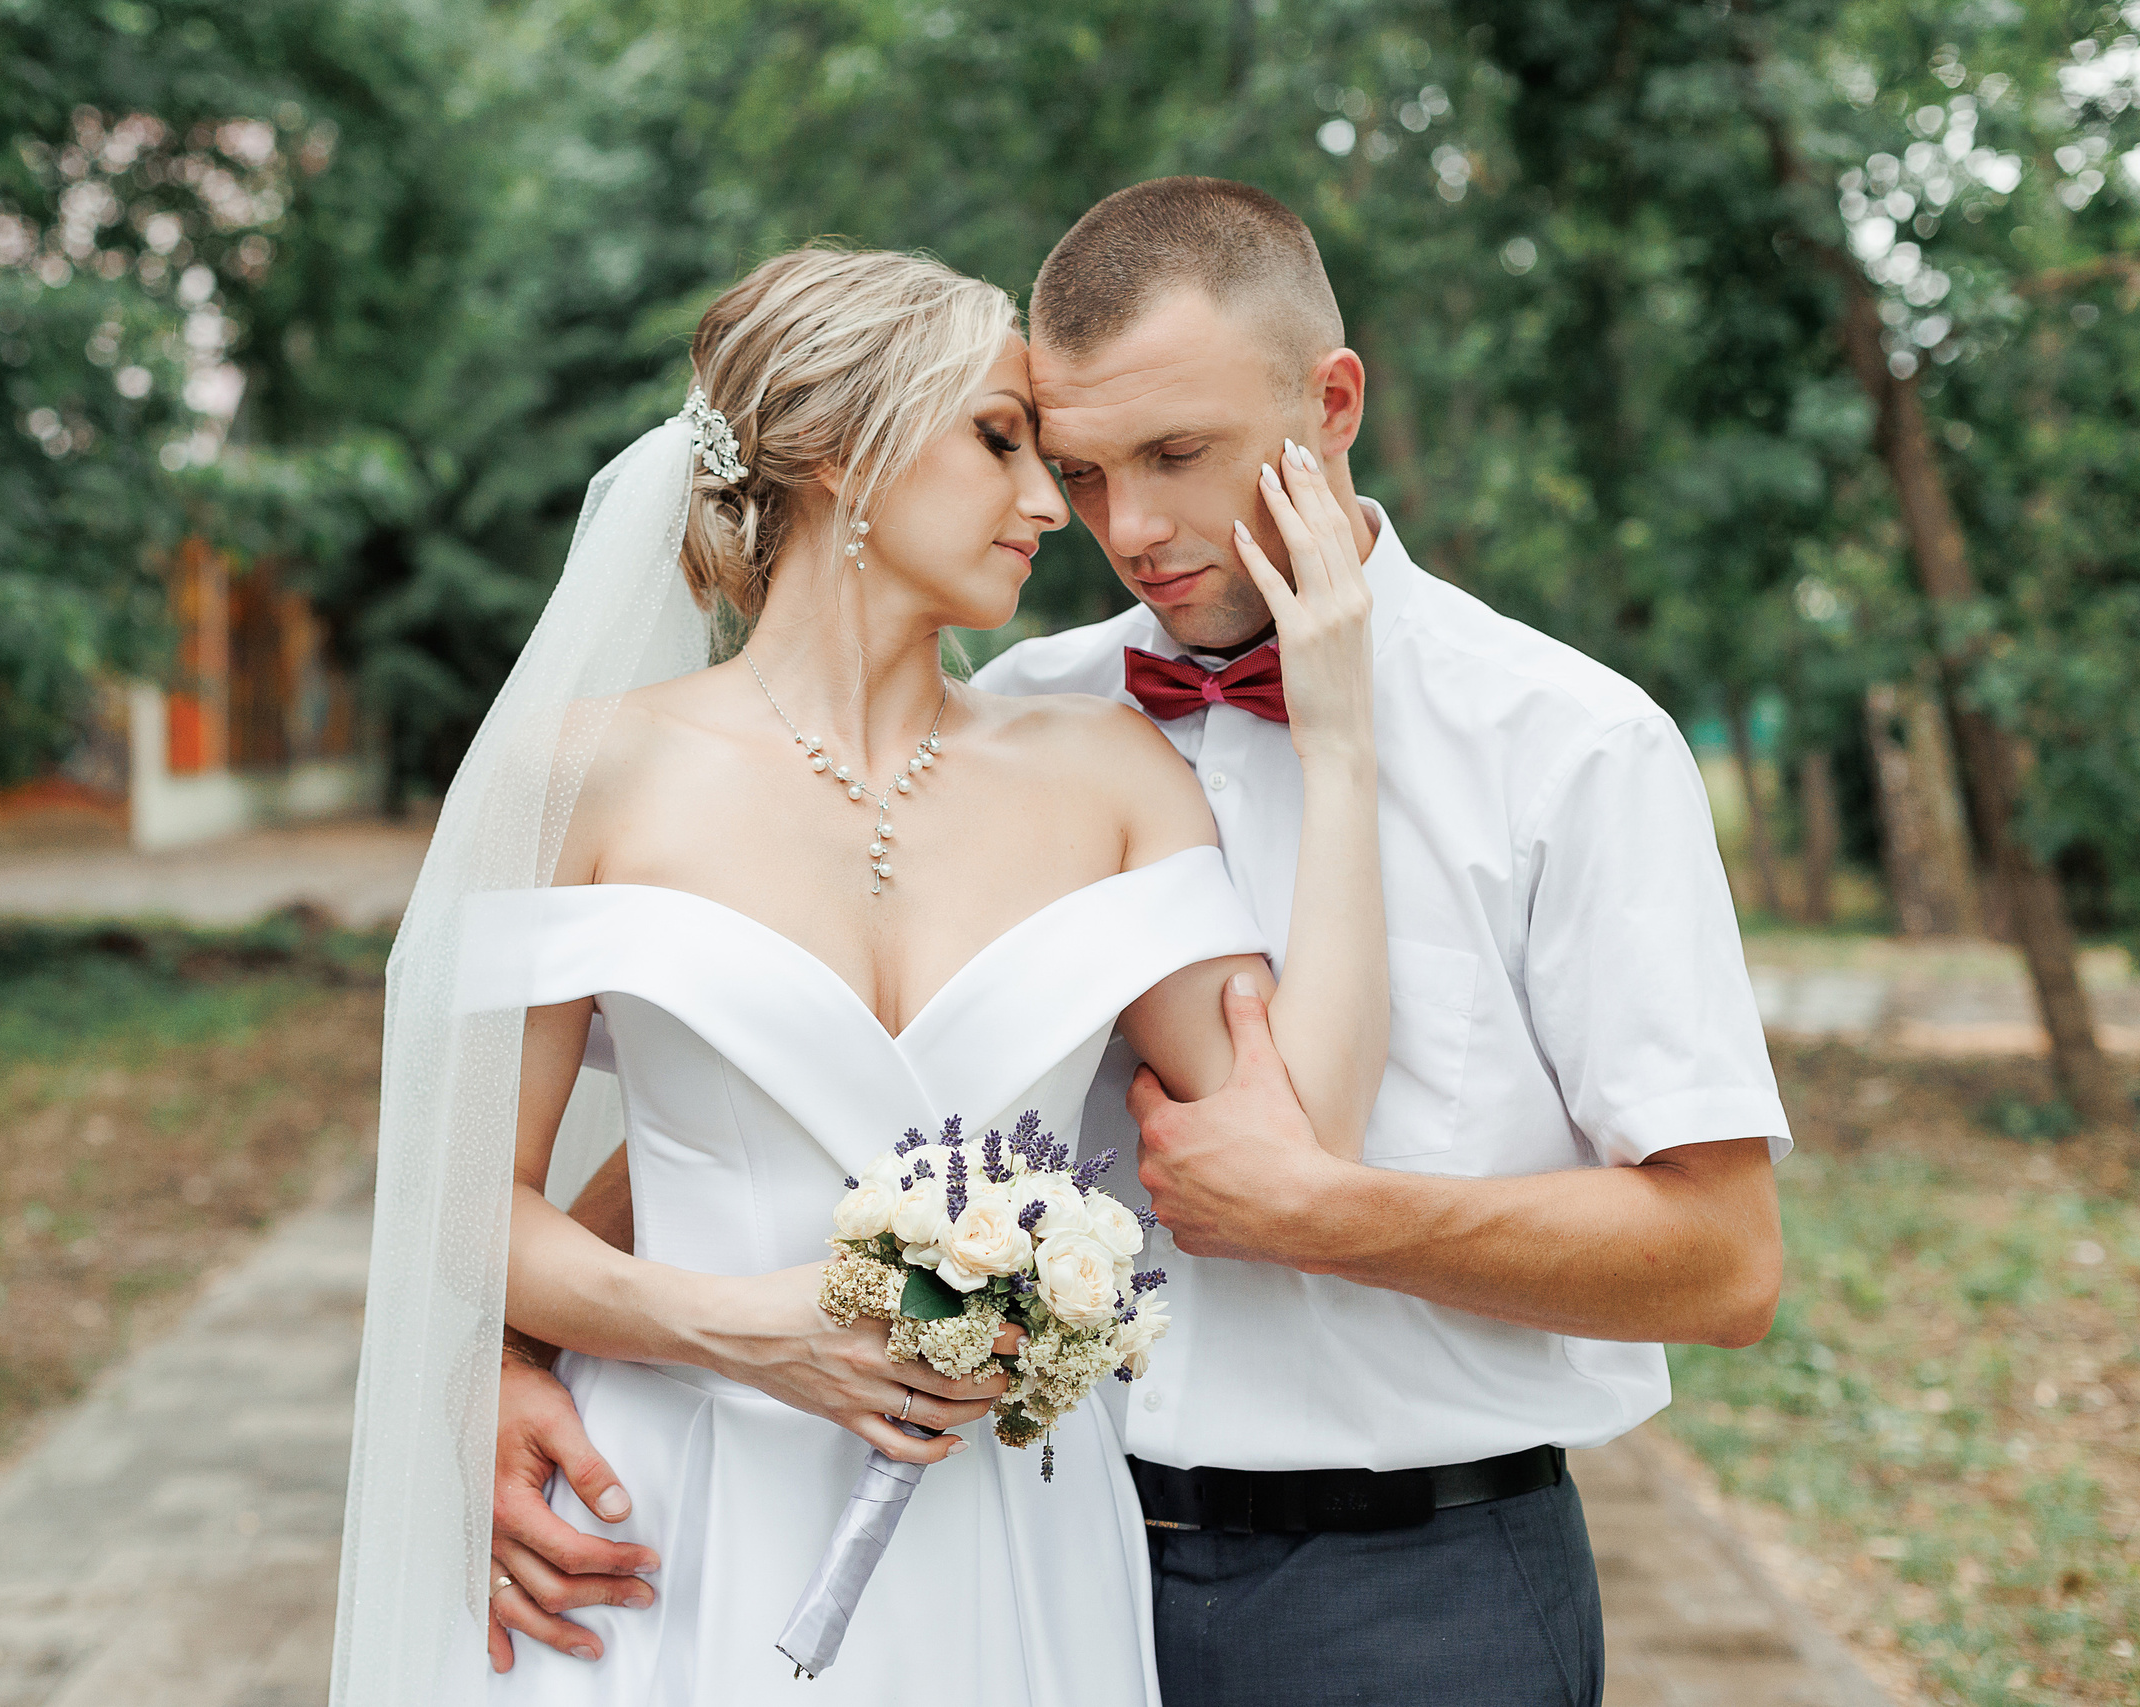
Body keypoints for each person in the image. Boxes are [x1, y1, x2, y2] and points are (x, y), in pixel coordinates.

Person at [484, 182, 1791, 1707]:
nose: (1124, 530)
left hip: (1406, 1590)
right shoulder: (1038, 705)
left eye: (1179, 456)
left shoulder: (1572, 745)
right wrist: (519, 1363)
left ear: (1334, 400)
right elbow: (785, 1102)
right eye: (1076, 466)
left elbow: (1727, 1264)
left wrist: (1329, 1209)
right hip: (1040, 1547)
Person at [336, 242, 1391, 1705]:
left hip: (1007, 1535)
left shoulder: (1106, 769)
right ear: (838, 450)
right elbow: (456, 1205)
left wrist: (1342, 743)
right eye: (1001, 440)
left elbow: (1306, 1144)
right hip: (670, 1514)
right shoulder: (584, 773)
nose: (1049, 505)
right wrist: (736, 1329)